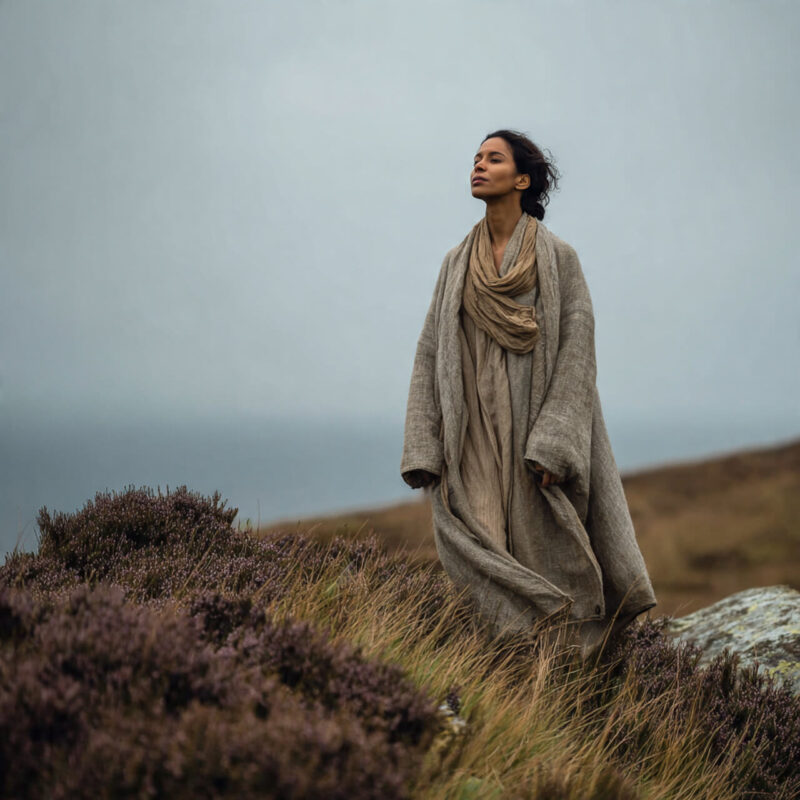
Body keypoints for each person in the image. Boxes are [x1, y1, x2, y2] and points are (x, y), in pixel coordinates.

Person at [400, 129, 657, 660]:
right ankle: (506, 667)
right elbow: (430, 349)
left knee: (546, 550)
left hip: (532, 437)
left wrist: (556, 445)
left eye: (493, 159)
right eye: (475, 158)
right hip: (469, 435)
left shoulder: (559, 258)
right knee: (477, 548)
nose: (478, 165)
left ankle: (565, 668)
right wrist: (424, 445)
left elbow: (577, 352)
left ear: (522, 179)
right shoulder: (455, 262)